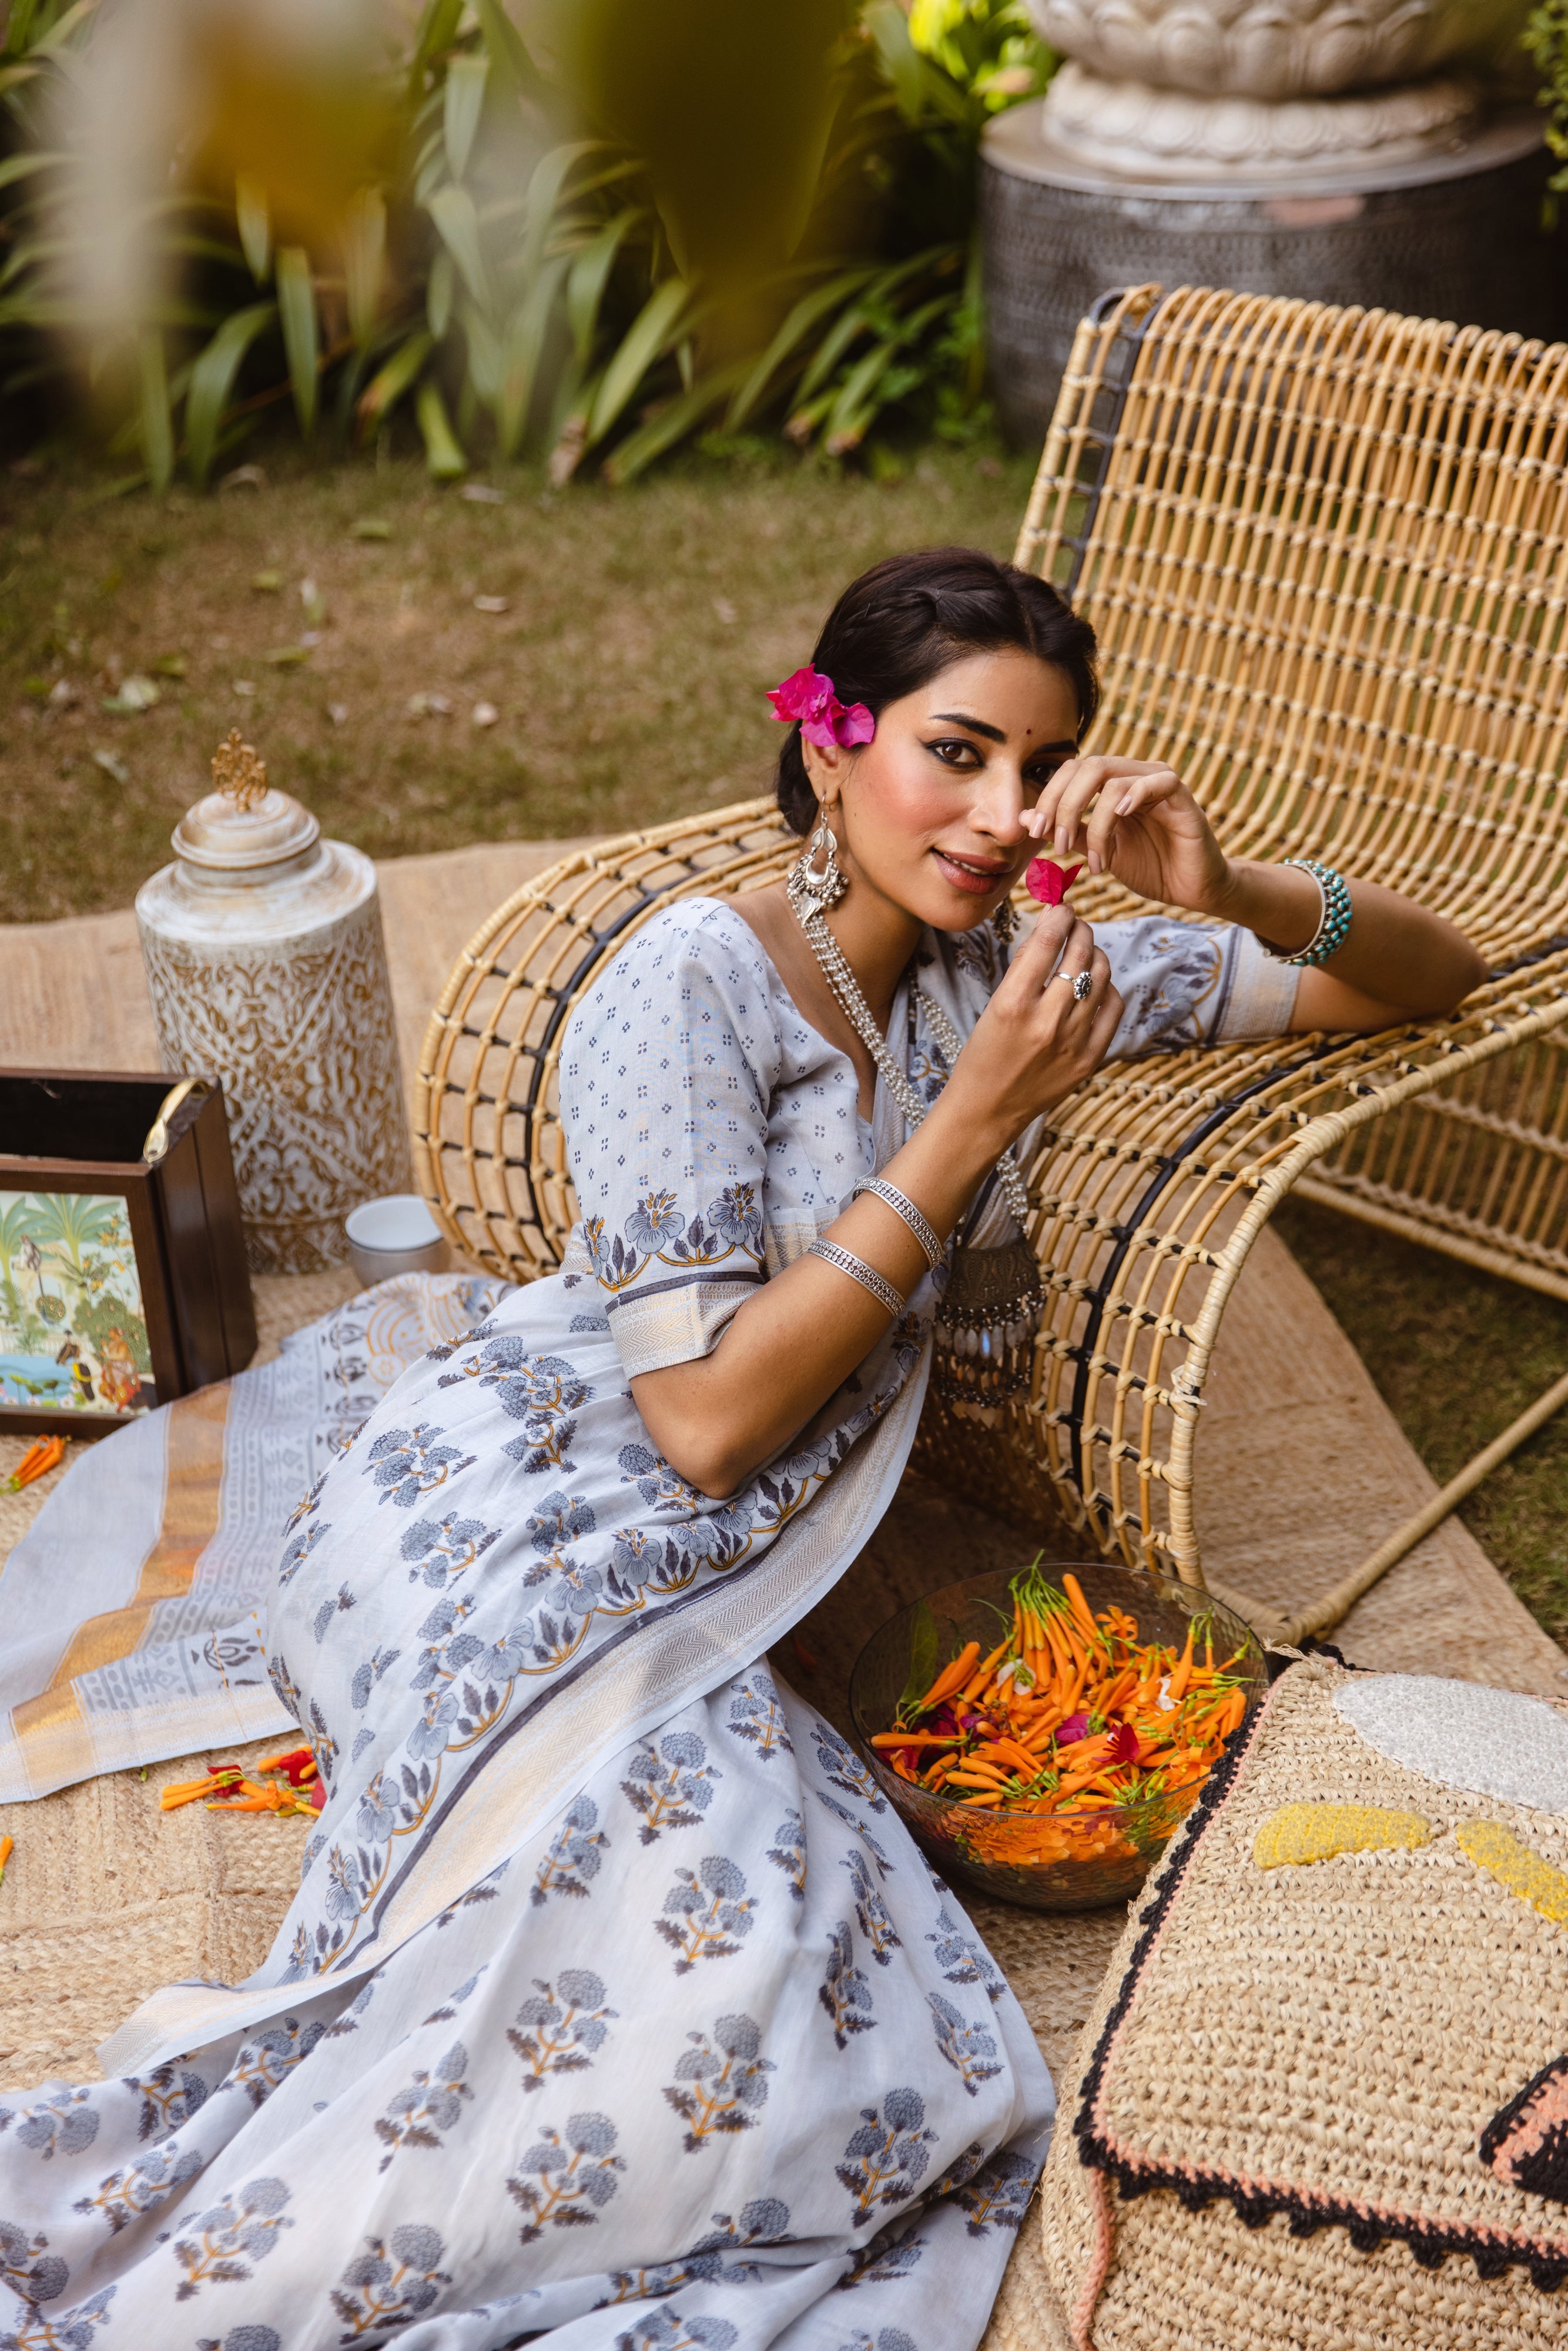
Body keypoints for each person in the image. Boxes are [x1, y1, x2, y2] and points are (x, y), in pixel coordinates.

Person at [0, 549, 1483, 2351]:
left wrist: (1226, 887)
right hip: (531, 1511)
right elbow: (696, 1424)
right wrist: (969, 1123)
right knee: (688, 1960)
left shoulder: (1009, 960)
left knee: (808, 2000)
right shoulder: (685, 988)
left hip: (735, 1550)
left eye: (1045, 769)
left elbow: (1425, 977)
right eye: (957, 753)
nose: (1006, 818)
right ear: (829, 734)